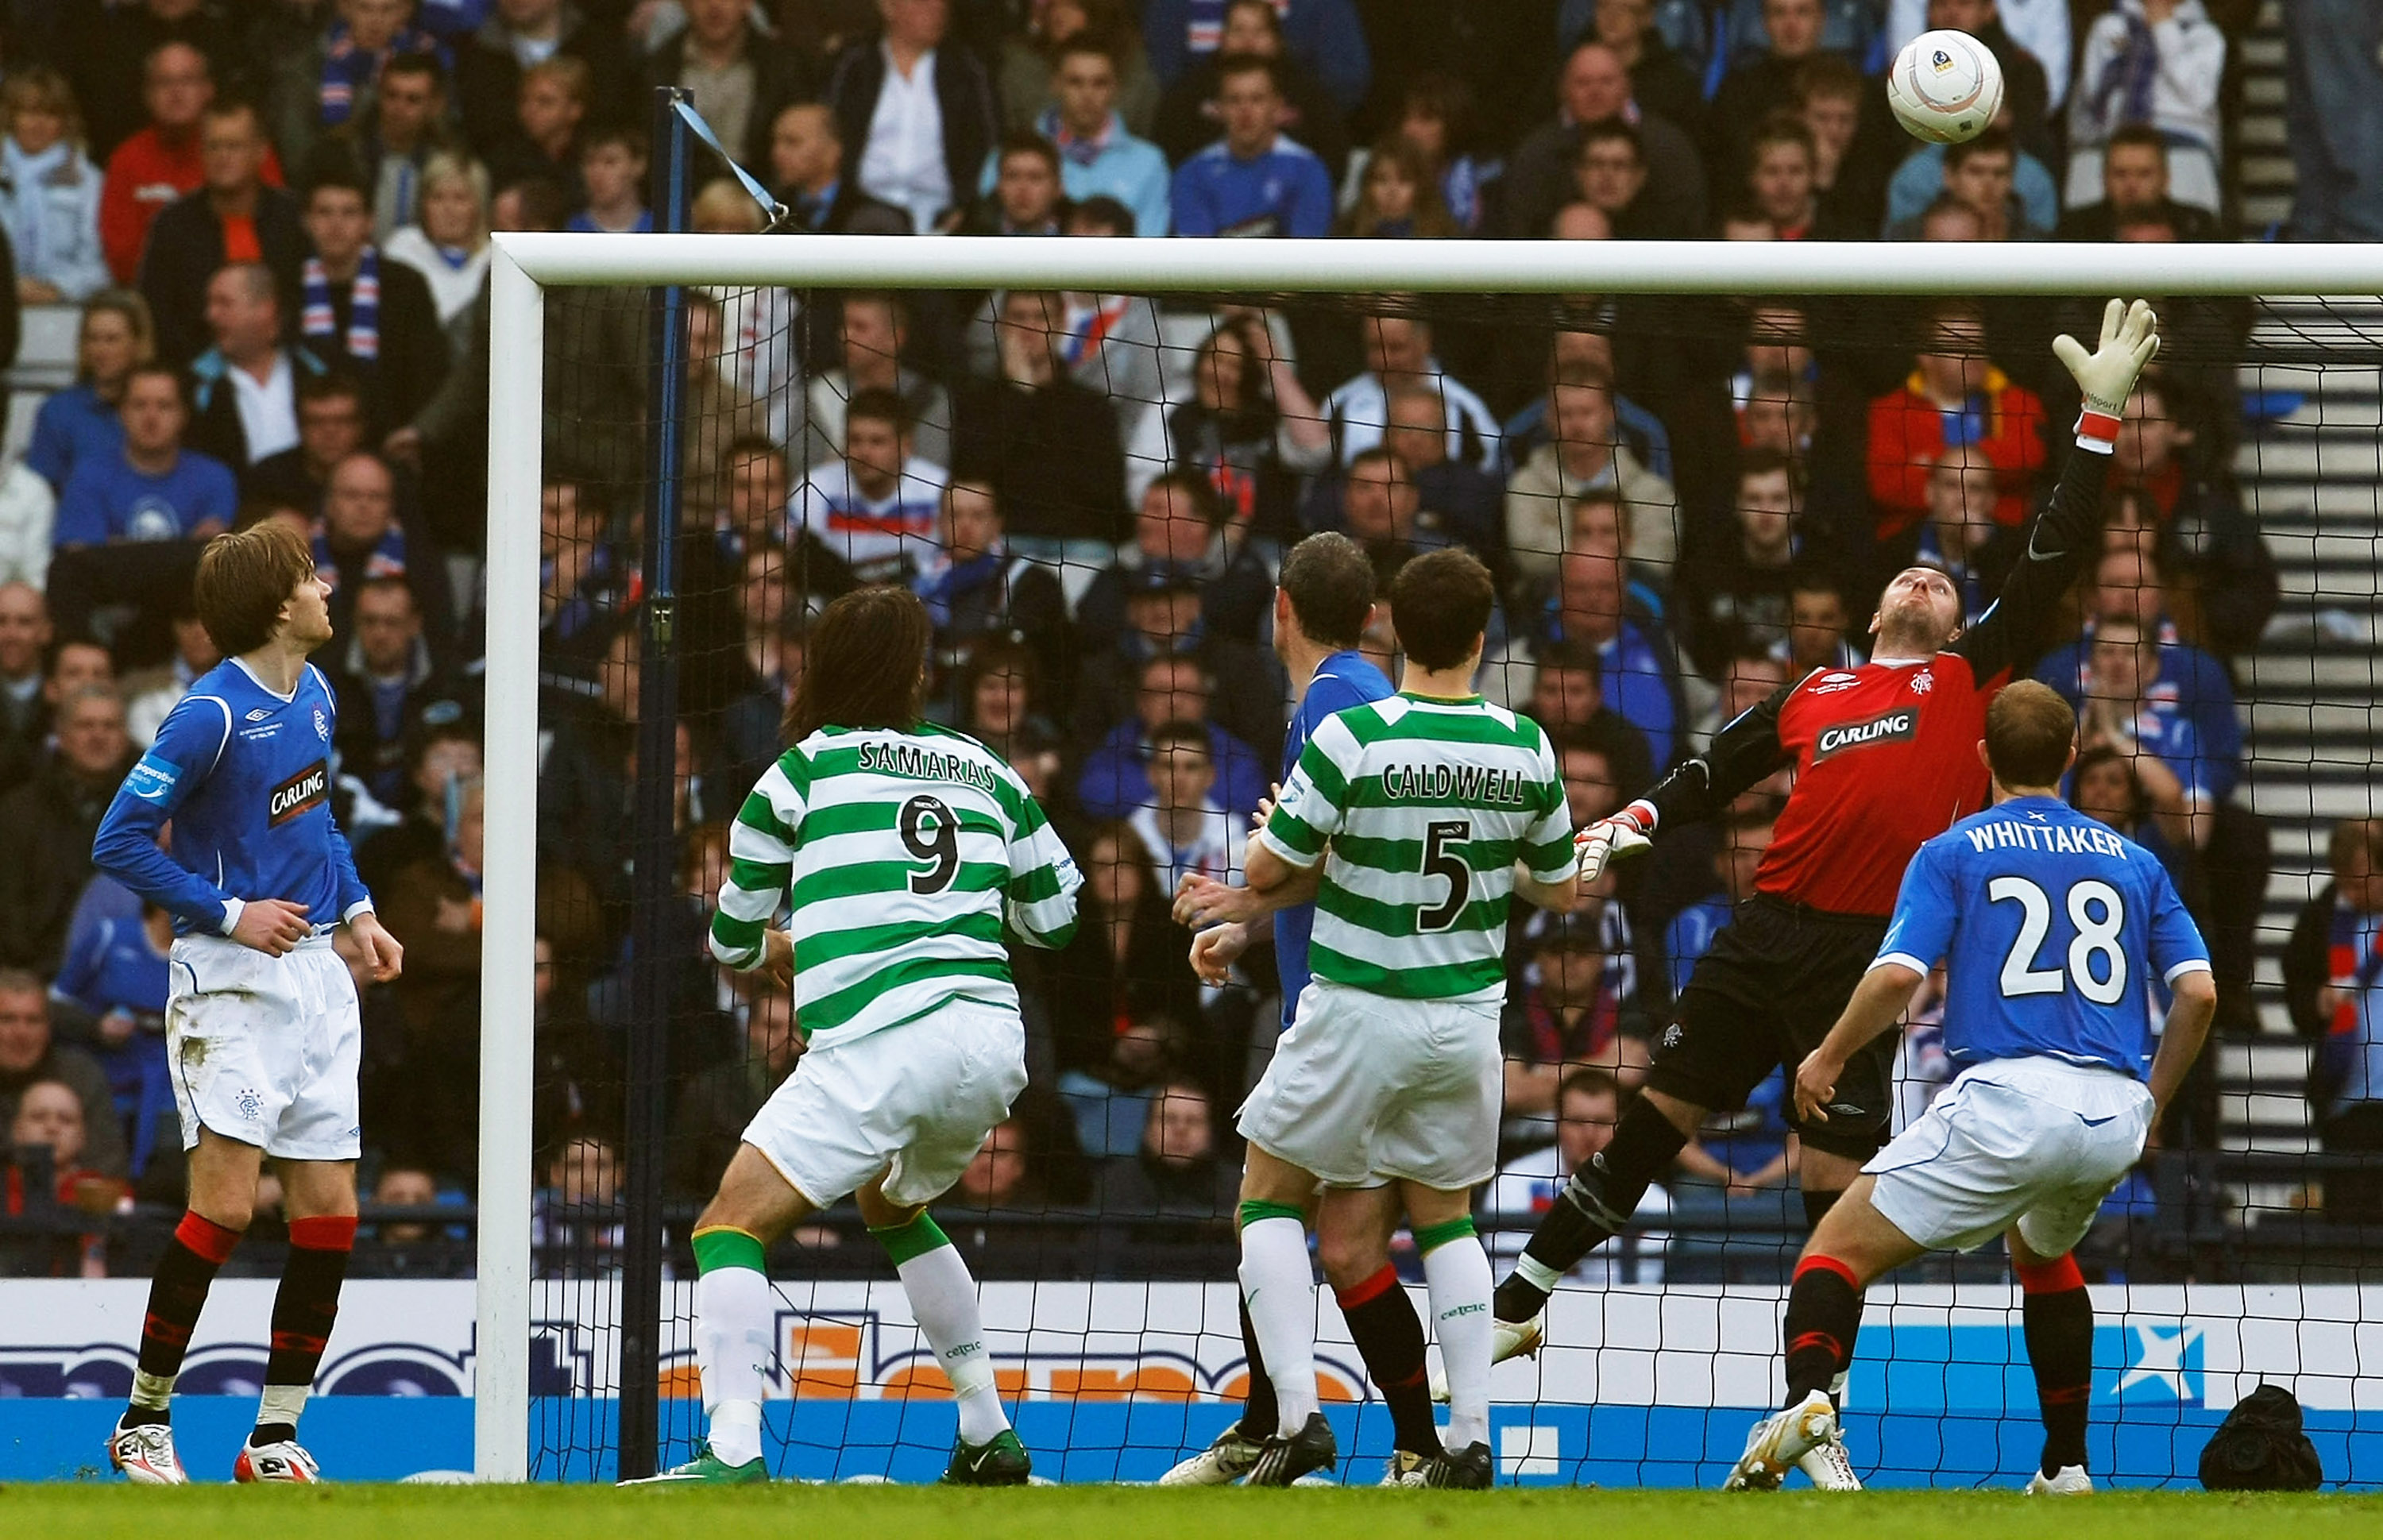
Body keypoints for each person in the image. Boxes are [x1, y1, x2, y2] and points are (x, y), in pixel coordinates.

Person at [1484, 301, 2164, 1437]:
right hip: (1765, 932)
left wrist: (2095, 421)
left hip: (1864, 954)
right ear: (1874, 608)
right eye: (1914, 578)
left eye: (1944, 583)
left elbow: (2048, 559)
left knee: (1827, 1191)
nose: (1927, 583)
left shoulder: (1961, 681)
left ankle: (1814, 1406)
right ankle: (1525, 1294)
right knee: (1654, 1117)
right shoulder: (1816, 691)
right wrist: (1635, 815)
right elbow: (1714, 766)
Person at [629, 585, 1079, 1484]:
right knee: (892, 1204)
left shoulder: (802, 771)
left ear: (821, 668)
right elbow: (1059, 917)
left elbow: (729, 939)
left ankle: (731, 1451)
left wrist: (785, 946)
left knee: (727, 1225)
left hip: (881, 1039)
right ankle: (989, 1432)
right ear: (915, 674)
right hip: (992, 1043)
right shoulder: (987, 767)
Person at [1723, 683, 2215, 1492]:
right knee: (2044, 1249)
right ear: (2067, 758)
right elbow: (2198, 994)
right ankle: (2066, 1467)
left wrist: (1827, 1054)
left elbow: (1897, 976)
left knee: (1833, 1253)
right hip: (2113, 1112)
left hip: (2012, 1101)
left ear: (1983, 757)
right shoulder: (2137, 861)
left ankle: (1810, 1405)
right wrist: (2154, 1102)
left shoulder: (1955, 849)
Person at [1221, 546, 1586, 1488]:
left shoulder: (1357, 736)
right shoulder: (1527, 745)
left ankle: (1293, 1419)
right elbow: (1555, 888)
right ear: (1478, 639)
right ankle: (1465, 1440)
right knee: (1444, 1221)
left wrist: (1278, 829)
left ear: (1395, 632)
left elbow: (1265, 873)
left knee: (1265, 1198)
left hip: (1357, 1008)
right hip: (1466, 1023)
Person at [91, 519, 404, 1483]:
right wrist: (229, 910)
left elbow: (315, 823)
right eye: (312, 578)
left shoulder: (314, 692)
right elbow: (120, 840)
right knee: (223, 1208)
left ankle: (273, 1437)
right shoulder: (207, 716)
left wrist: (357, 909)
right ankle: (142, 1422)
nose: (327, 591)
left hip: (316, 972)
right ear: (278, 605)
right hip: (230, 980)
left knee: (330, 1213)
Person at [137, 99, 306, 368]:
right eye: (213, 146)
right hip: (193, 374)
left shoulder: (295, 218)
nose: (222, 156)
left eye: (234, 146)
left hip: (289, 371)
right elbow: (157, 314)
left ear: (261, 152)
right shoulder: (173, 225)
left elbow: (308, 305)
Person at [825, 0, 1002, 234]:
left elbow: (990, 141)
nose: (938, 9)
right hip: (862, 209)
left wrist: (967, 207)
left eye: (942, 4)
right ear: (888, 7)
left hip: (946, 214)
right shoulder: (853, 63)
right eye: (924, 3)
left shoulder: (968, 68)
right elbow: (824, 131)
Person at [1010, 37, 1171, 237]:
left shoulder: (1149, 164)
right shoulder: (1011, 158)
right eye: (1075, 82)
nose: (1087, 94)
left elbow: (1148, 252)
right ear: (1055, 84)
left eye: (1099, 83)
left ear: (1115, 89)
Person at [1169, 55, 1332, 240]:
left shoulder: (1308, 169)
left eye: (1257, 99)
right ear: (1219, 109)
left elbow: (1306, 256)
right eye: (1234, 100)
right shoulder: (1192, 174)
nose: (1245, 111)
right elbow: (1196, 259)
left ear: (1277, 107)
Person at [0, 66, 110, 304]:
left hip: (65, 307)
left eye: (50, 114)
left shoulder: (87, 180)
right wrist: (9, 288)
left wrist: (55, 290)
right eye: (29, 112)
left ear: (64, 122)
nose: (38, 123)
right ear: (11, 117)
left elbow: (99, 266)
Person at [29, 291, 154, 496]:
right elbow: (38, 494)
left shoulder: (160, 406)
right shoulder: (58, 412)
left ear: (138, 344)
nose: (100, 350)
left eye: (112, 339)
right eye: (92, 339)